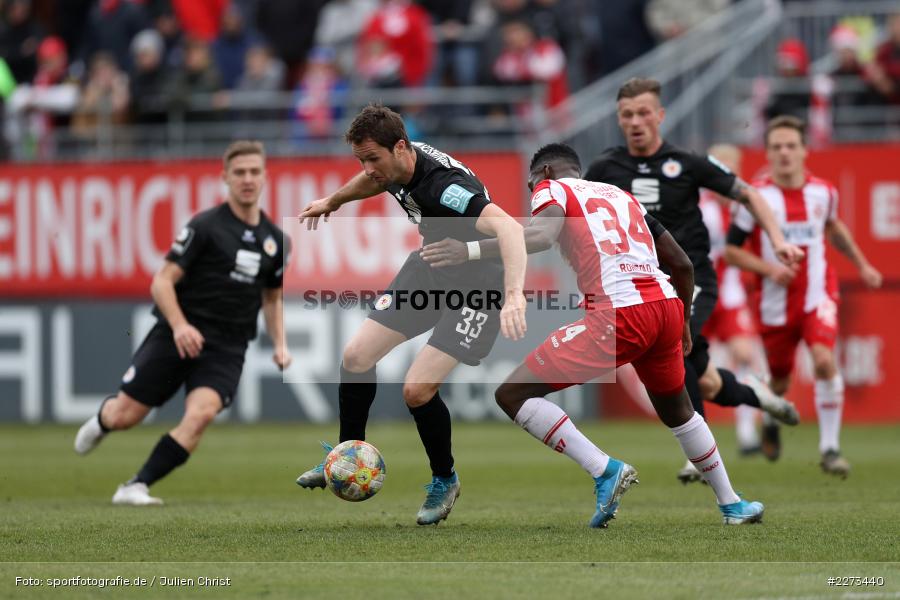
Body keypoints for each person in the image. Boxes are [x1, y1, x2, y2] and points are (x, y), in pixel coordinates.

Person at [420, 143, 764, 526]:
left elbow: (539, 237)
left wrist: (466, 250)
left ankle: (604, 470)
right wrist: (682, 318)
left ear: (545, 172)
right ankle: (732, 504)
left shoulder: (552, 189)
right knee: (679, 411)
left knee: (512, 394)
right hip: (665, 307)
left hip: (619, 315)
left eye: (531, 183)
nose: (532, 192)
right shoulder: (621, 195)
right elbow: (681, 263)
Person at [295, 103, 527, 525]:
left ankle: (445, 479)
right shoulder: (397, 163)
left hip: (477, 288)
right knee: (356, 357)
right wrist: (334, 200)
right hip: (432, 267)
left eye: (373, 159)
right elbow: (371, 181)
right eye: (361, 159)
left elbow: (512, 229)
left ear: (400, 147)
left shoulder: (446, 188)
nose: (368, 168)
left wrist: (514, 295)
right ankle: (348, 455)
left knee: (416, 390)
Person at [583, 77, 804, 484]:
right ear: (619, 119)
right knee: (703, 376)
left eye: (644, 112)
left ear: (660, 115)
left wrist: (777, 240)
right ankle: (759, 395)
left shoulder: (686, 161)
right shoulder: (604, 169)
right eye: (627, 114)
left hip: (690, 279)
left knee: (676, 351)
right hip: (641, 285)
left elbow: (749, 195)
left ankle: (699, 457)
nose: (636, 121)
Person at [73, 141, 292, 505]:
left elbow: (272, 298)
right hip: (177, 334)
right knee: (126, 415)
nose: (247, 179)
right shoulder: (205, 226)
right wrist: (179, 326)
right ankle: (103, 421)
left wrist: (281, 344)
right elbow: (161, 282)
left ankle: (135, 486)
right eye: (239, 172)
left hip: (227, 345)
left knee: (201, 414)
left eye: (254, 172)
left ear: (265, 177)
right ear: (225, 178)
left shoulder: (277, 241)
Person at [724, 116, 883, 477]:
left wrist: (863, 264)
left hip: (817, 293)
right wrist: (770, 270)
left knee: (824, 361)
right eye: (777, 146)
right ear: (767, 152)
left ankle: (830, 449)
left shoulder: (823, 192)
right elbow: (733, 252)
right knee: (779, 381)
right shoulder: (754, 197)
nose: (784, 153)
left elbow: (834, 227)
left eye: (791, 146)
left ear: (804, 150)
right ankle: (770, 418)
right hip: (774, 302)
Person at [698, 144, 766, 455]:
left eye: (728, 168)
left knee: (745, 355)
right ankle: (698, 444)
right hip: (699, 296)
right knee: (693, 369)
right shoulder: (699, 205)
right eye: (716, 167)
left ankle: (747, 432)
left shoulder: (744, 206)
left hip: (730, 295)